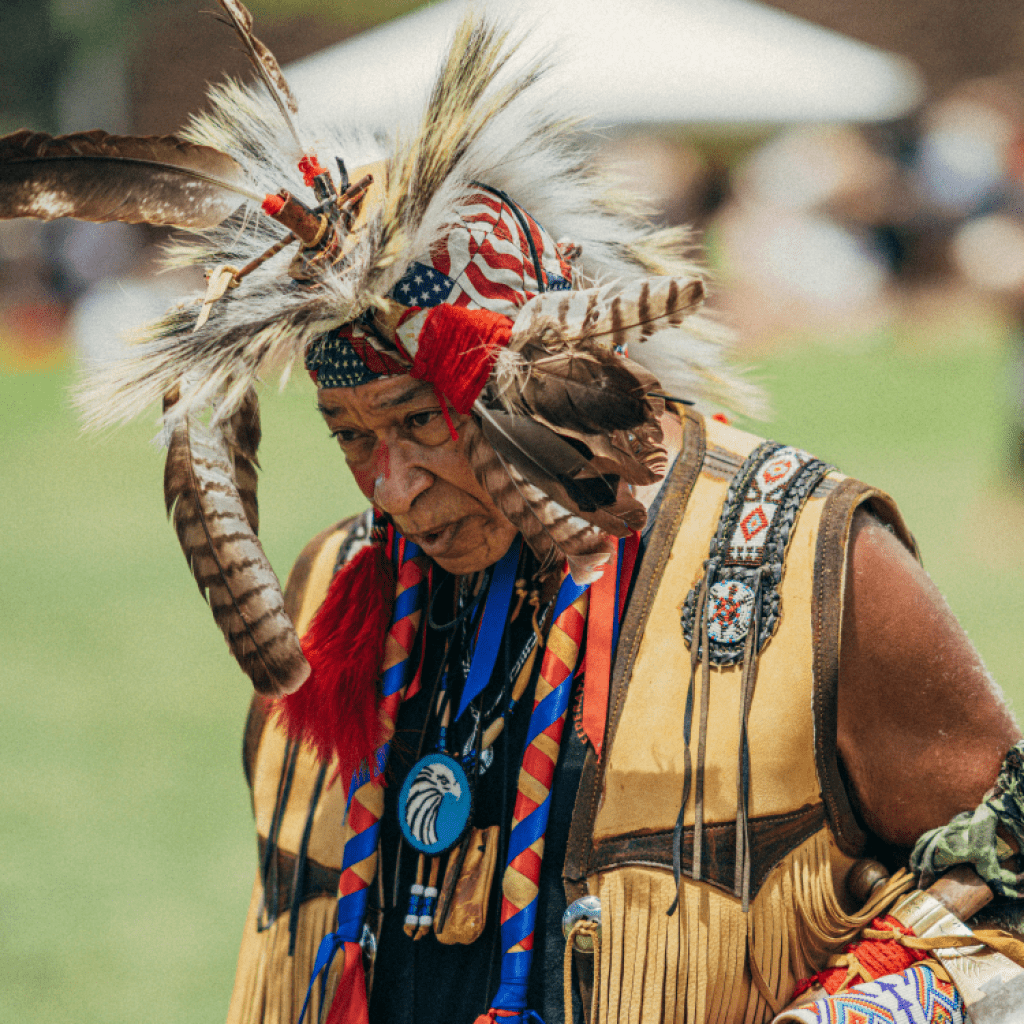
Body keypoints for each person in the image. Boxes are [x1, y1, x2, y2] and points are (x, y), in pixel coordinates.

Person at [6, 6, 1021, 1024]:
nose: (389, 484)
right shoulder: (334, 593)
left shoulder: (805, 562)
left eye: (419, 421)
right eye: (350, 435)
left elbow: (1008, 887)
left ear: (528, 387)